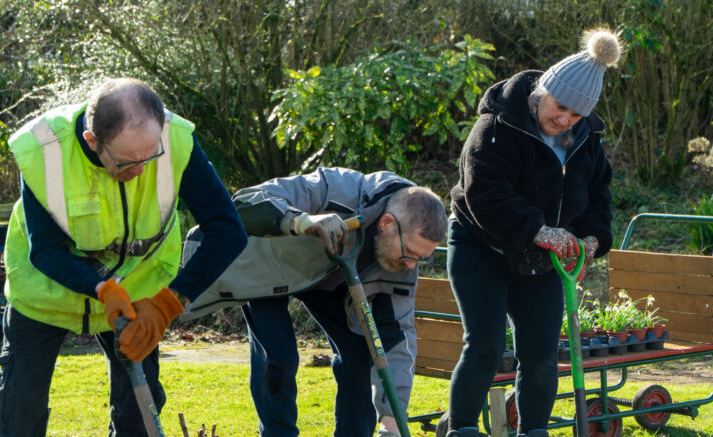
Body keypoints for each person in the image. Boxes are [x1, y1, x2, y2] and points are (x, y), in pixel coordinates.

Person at [0, 77, 248, 436]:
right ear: (93, 141)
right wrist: (101, 288)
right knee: (17, 414)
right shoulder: (43, 150)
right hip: (45, 292)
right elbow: (45, 251)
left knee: (138, 415)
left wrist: (170, 302)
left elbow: (228, 231)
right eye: (126, 162)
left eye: (150, 156)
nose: (141, 170)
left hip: (139, 290)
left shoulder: (175, 140)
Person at [438, 28, 621, 437]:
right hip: (480, 245)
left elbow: (599, 197)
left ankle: (534, 431)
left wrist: (593, 240)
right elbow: (484, 193)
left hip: (543, 257)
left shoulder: (586, 141)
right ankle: (462, 430)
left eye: (575, 115)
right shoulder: (496, 126)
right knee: (484, 347)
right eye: (560, 108)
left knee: (539, 354)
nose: (564, 120)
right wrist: (538, 230)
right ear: (542, 91)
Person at [182, 167, 448, 437]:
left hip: (329, 279)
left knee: (358, 356)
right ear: (387, 223)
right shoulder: (336, 189)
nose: (411, 264)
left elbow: (397, 338)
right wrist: (301, 221)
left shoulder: (403, 262)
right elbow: (247, 202)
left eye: (421, 258)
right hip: (270, 267)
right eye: (410, 253)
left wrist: (392, 421)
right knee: (279, 356)